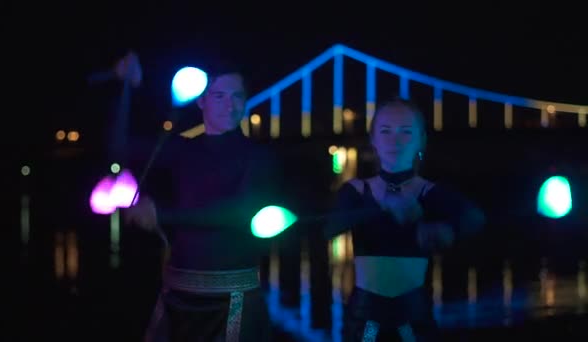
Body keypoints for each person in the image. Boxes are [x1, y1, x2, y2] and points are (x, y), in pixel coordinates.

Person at [107, 52, 286, 341]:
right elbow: (118, 145)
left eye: (237, 96)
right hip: (178, 297)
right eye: (219, 96)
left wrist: (161, 214)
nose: (230, 105)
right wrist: (126, 87)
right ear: (201, 100)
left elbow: (238, 213)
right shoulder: (183, 150)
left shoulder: (258, 156)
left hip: (233, 299)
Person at [322, 96, 486, 341]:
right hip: (365, 317)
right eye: (385, 131)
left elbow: (474, 218)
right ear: (373, 139)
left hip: (414, 314)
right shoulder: (356, 190)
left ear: (421, 140)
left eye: (405, 132)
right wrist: (383, 208)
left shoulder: (429, 192)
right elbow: (329, 228)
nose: (394, 140)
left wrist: (447, 230)